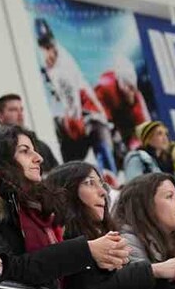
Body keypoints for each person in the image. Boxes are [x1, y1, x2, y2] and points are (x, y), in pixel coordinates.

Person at [0, 126, 130, 289]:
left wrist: (99, 261)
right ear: (0, 157)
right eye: (25, 151)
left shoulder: (39, 207)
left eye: (34, 150)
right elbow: (7, 269)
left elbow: (63, 282)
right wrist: (84, 251)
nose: (38, 157)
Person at [44, 161, 175, 289]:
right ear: (65, 189)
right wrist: (155, 270)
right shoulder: (55, 236)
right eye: (89, 183)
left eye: (102, 184)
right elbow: (93, 286)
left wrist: (171, 280)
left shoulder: (105, 235)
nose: (103, 192)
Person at [35, 19, 115, 174]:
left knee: (97, 136)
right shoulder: (48, 62)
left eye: (49, 47)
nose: (48, 52)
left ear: (53, 46)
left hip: (90, 119)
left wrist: (71, 127)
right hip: (74, 123)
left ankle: (109, 175)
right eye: (44, 48)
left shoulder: (64, 71)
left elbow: (74, 114)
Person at [0, 93, 58, 170]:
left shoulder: (41, 146)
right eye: (13, 110)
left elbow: (57, 176)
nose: (20, 114)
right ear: (0, 116)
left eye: (21, 109)